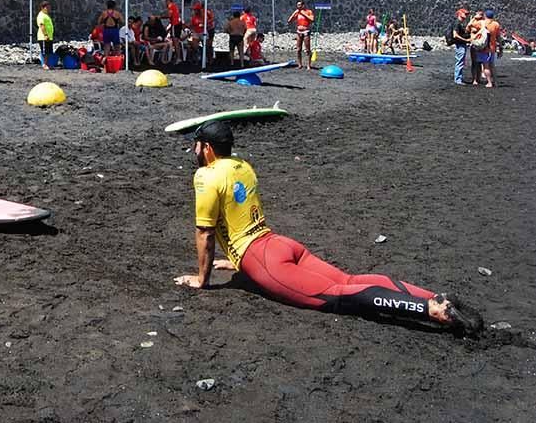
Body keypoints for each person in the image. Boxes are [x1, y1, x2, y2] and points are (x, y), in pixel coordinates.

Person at [174, 120, 483, 336]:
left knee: (336, 295)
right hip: (279, 244)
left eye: (197, 146)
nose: (195, 153)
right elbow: (239, 214)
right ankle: (432, 295)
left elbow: (206, 231)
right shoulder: (243, 166)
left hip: (263, 259)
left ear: (208, 148)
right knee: (348, 279)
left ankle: (430, 309)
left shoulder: (206, 176)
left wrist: (202, 279)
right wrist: (236, 258)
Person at [287, 0, 314, 69]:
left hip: (306, 31)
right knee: (298, 49)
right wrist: (294, 13)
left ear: (303, 5)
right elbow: (289, 21)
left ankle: (308, 65)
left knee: (307, 49)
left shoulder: (308, 11)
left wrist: (303, 13)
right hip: (299, 32)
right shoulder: (297, 12)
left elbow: (312, 19)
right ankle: (300, 64)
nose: (298, 6)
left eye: (299, 5)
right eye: (297, 5)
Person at [481, 9, 502, 88]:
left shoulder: (482, 23)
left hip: (484, 47)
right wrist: (500, 47)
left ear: (485, 15)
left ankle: (489, 82)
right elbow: (498, 37)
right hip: (492, 47)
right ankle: (496, 82)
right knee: (492, 65)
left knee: (486, 66)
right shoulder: (496, 24)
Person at [451, 6, 471, 85]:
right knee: (459, 61)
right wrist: (465, 40)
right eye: (465, 13)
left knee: (461, 61)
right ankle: (458, 79)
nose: (466, 15)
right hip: (460, 44)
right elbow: (455, 35)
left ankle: (458, 78)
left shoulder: (460, 23)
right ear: (459, 14)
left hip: (461, 44)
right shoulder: (457, 23)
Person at [165, 0, 184, 64]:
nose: (166, 3)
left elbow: (169, 15)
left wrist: (161, 16)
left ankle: (178, 57)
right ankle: (178, 57)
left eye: (166, 2)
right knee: (176, 41)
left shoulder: (171, 6)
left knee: (175, 41)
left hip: (175, 25)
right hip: (178, 24)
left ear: (169, 1)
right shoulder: (175, 6)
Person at [36, 1, 54, 70]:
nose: (49, 8)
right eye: (47, 7)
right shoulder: (41, 15)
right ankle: (44, 64)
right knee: (45, 52)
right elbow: (42, 25)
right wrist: (45, 34)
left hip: (49, 37)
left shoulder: (46, 15)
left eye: (49, 7)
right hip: (43, 37)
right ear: (43, 8)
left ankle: (48, 64)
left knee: (49, 51)